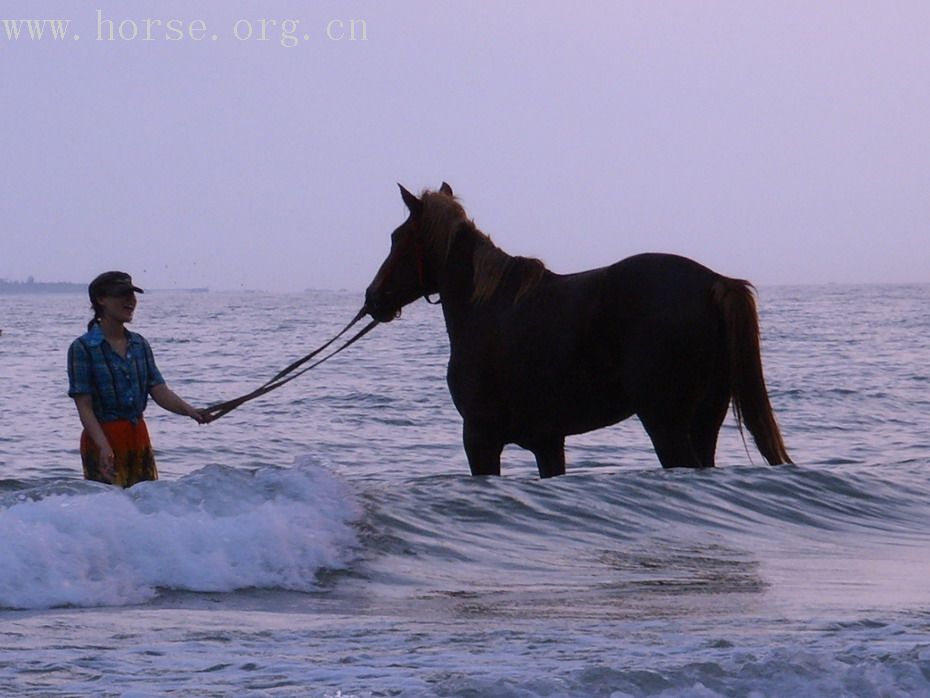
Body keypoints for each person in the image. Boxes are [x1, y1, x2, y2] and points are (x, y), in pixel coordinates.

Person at [67, 271, 209, 487]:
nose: (130, 301)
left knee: (144, 507)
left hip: (138, 437)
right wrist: (104, 446)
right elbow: (84, 407)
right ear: (101, 300)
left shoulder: (139, 344)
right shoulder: (83, 348)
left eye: (132, 295)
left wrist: (190, 411)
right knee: (110, 509)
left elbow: (159, 390)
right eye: (122, 295)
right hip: (103, 440)